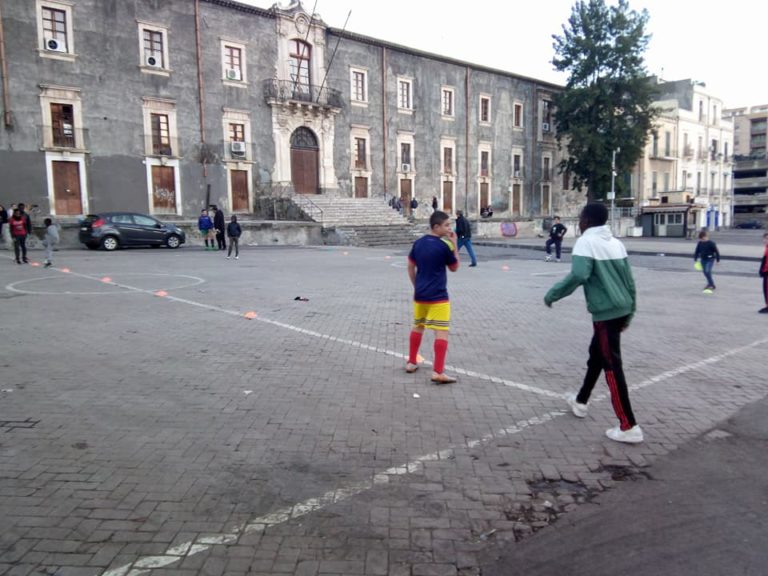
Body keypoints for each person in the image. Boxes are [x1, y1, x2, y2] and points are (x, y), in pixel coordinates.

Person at [544, 203, 642, 444]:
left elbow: (579, 274)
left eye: (580, 217)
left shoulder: (586, 241)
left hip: (606, 313)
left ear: (586, 220)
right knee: (596, 355)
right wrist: (629, 312)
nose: (579, 221)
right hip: (620, 309)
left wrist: (553, 294)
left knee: (611, 366)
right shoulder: (616, 243)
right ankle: (581, 401)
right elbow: (630, 281)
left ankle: (628, 426)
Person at [406, 210, 460, 384]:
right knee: (441, 332)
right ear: (436, 227)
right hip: (438, 296)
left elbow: (410, 266)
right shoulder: (444, 246)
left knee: (417, 327)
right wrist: (455, 244)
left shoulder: (419, 243)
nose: (449, 228)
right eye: (446, 225)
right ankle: (438, 372)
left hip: (420, 294)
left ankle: (411, 362)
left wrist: (416, 286)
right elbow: (454, 267)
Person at [759, 232, 768, 314]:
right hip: (765, 271)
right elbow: (764, 260)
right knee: (765, 289)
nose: (765, 240)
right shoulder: (766, 247)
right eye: (764, 238)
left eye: (767, 239)